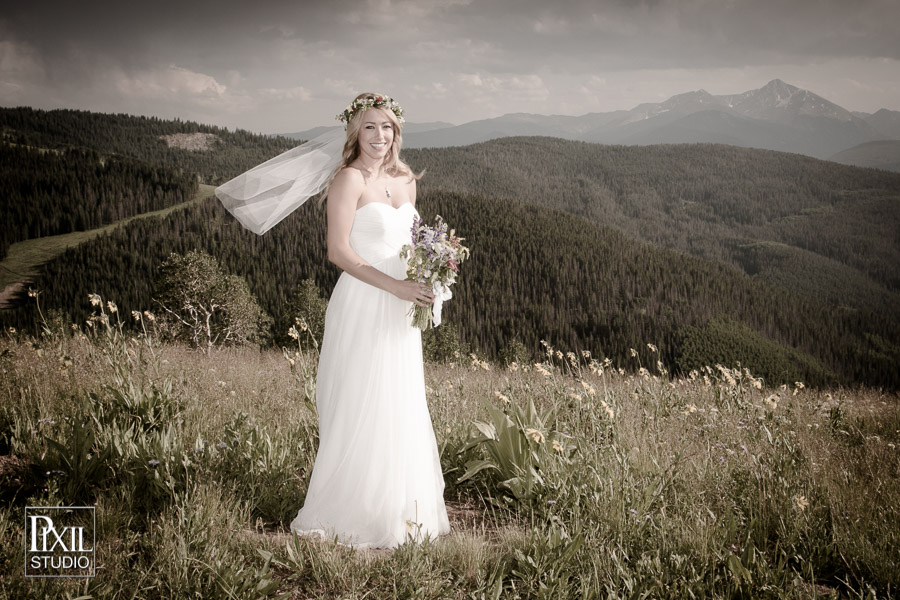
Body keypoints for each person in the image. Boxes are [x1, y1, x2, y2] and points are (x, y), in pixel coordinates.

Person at [288, 93, 451, 548]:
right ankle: (352, 508)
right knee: (362, 401)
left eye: (388, 128)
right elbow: (338, 252)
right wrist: (396, 286)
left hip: (402, 310)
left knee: (400, 398)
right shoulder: (348, 179)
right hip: (363, 302)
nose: (380, 137)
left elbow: (414, 244)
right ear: (355, 133)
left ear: (397, 133)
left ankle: (399, 509)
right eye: (370, 128)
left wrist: (431, 276)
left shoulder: (406, 180)